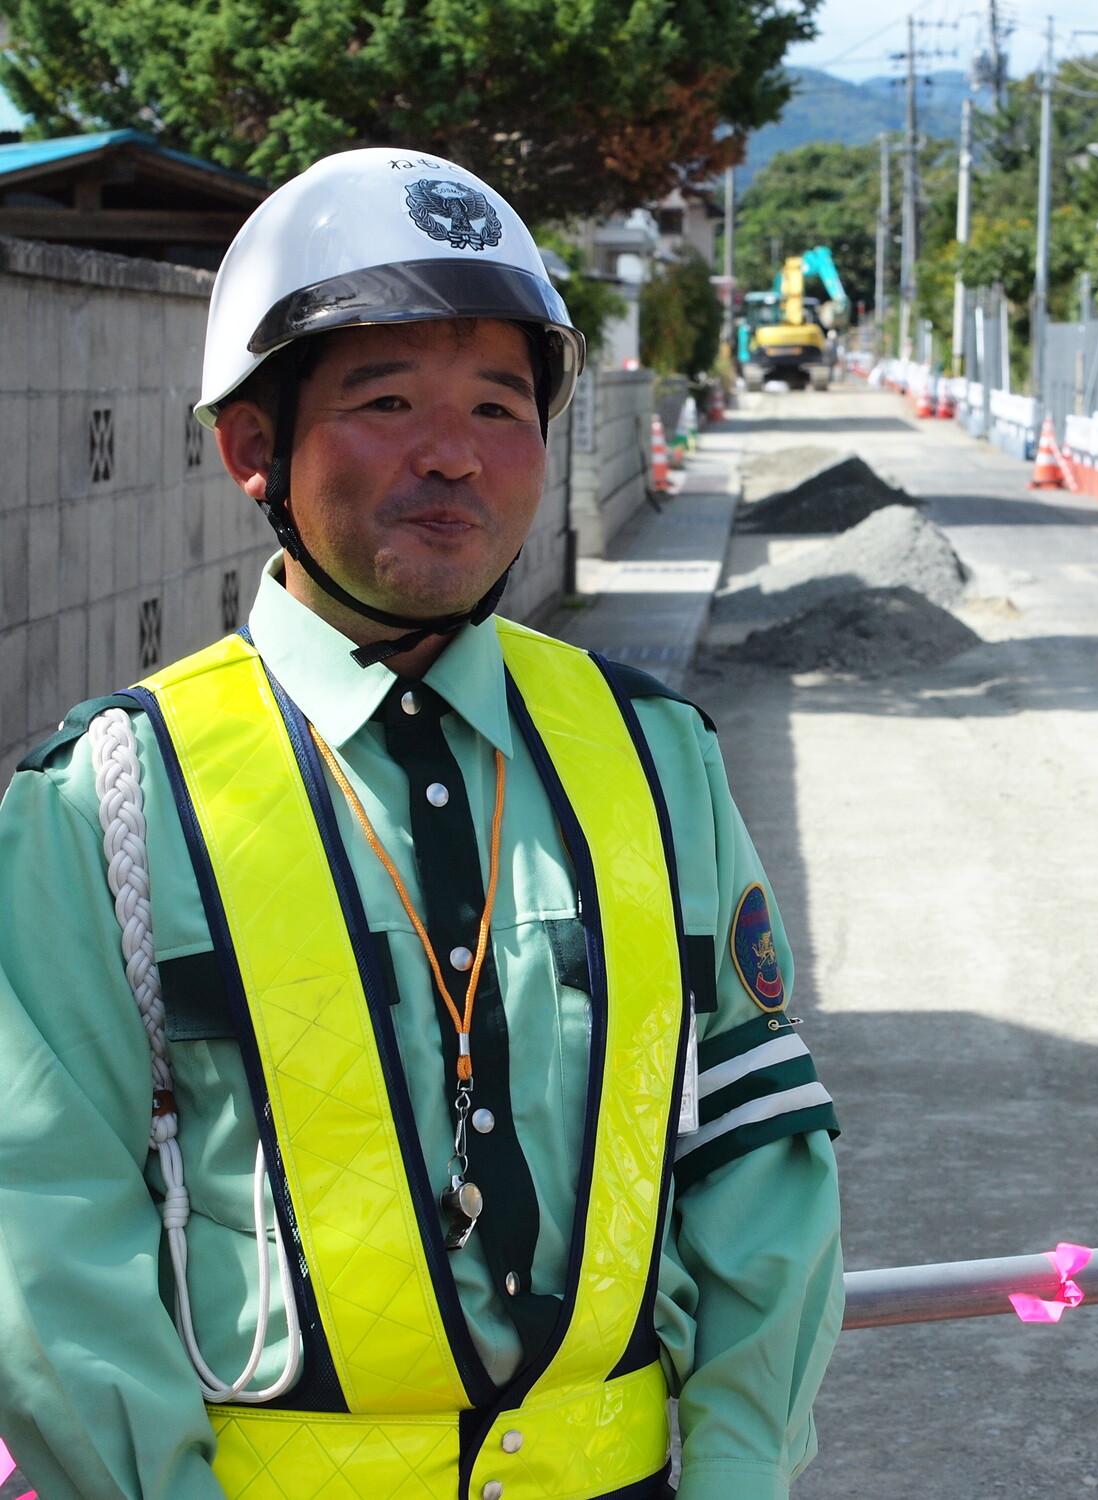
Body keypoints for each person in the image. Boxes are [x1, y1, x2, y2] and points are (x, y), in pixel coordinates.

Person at [0, 149, 841, 1500]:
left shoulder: (656, 760)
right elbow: (42, 1223)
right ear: (253, 447)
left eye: (501, 406)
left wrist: (739, 1475)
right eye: (387, 400)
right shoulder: (105, 800)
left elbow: (753, 1147)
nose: (453, 453)